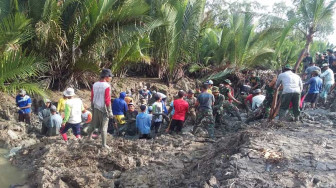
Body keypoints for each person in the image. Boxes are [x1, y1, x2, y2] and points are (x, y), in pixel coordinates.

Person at [88, 68, 114, 148]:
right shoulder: (107, 86)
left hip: (95, 107)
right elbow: (107, 100)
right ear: (106, 77)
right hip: (103, 109)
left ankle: (89, 137)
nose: (111, 78)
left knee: (93, 124)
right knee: (104, 127)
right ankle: (104, 144)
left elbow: (92, 96)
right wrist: (110, 112)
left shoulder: (95, 84)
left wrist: (92, 106)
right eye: (110, 77)